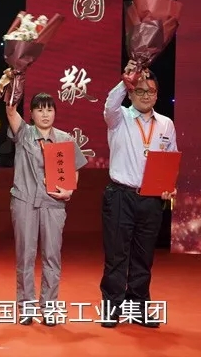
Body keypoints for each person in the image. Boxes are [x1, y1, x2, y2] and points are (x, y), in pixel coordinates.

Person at [99, 63, 177, 328]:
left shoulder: (166, 124)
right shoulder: (119, 117)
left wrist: (169, 186)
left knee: (144, 257)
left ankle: (138, 308)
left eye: (151, 91)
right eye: (140, 91)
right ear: (131, 93)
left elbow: (170, 160)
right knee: (116, 255)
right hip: (120, 195)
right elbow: (110, 103)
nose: (146, 96)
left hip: (152, 199)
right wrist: (126, 79)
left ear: (157, 95)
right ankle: (111, 308)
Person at [4, 92, 87, 326]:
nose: (45, 114)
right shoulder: (23, 133)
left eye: (49, 109)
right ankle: (26, 308)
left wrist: (69, 191)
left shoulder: (64, 139)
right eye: (39, 109)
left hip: (54, 204)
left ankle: (49, 308)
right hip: (24, 201)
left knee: (52, 256)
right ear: (31, 113)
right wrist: (13, 84)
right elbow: (10, 110)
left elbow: (75, 169)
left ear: (55, 113)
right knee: (25, 256)